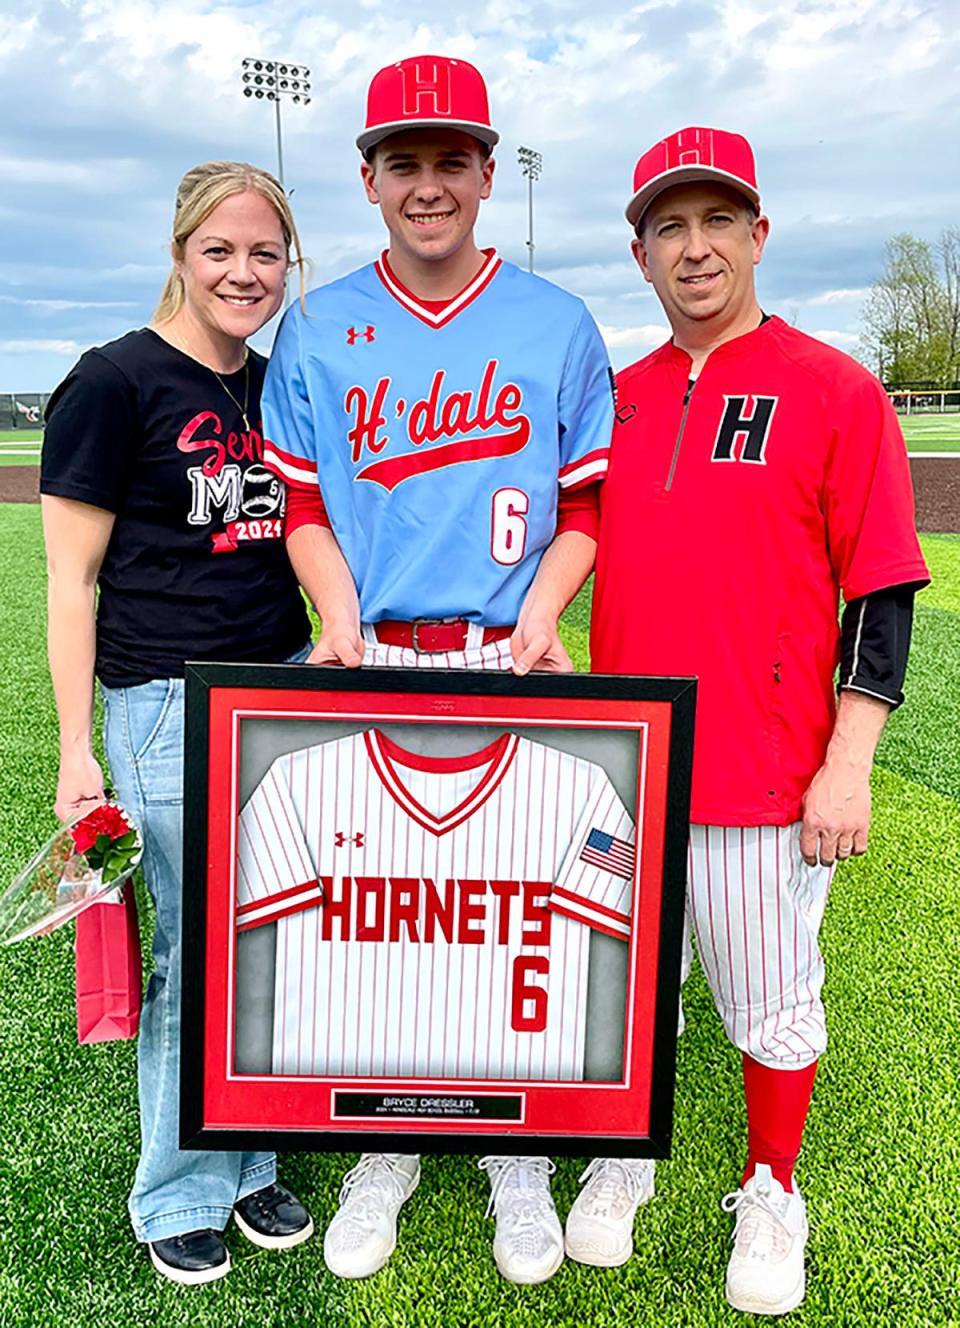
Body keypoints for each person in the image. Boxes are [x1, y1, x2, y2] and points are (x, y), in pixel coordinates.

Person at [261, 54, 640, 1286]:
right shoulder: (317, 325)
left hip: (502, 653)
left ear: (487, 171)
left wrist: (542, 611)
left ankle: (515, 1161)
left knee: (504, 920)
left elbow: (586, 504)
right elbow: (303, 502)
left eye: (451, 160)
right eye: (403, 162)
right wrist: (333, 612)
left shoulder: (554, 321)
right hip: (369, 658)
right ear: (368, 179)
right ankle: (387, 1145)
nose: (430, 184)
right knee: (382, 925)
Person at [589, 126, 930, 1314]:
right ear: (640, 255)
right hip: (623, 770)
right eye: (669, 227)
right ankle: (623, 1160)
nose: (695, 247)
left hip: (761, 772)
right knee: (625, 982)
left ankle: (773, 1185)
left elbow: (882, 591)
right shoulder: (620, 398)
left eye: (716, 221)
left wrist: (851, 763)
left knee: (770, 995)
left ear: (757, 234)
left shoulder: (832, 387)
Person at [40, 161, 316, 1285]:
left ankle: (248, 1162)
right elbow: (71, 583)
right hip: (167, 700)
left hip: (287, 688)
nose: (245, 273)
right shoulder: (111, 381)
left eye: (266, 254)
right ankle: (178, 1187)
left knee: (282, 939)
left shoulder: (276, 382)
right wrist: (75, 749)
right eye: (221, 251)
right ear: (179, 251)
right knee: (192, 957)